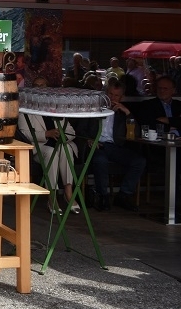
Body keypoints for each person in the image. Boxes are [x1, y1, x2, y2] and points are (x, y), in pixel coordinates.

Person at [72, 77, 146, 211]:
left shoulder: (123, 112)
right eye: (110, 94)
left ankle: (123, 195)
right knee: (100, 161)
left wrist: (128, 113)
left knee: (139, 161)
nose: (112, 98)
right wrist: (88, 139)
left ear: (122, 97)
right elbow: (80, 129)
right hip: (96, 145)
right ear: (105, 93)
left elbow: (137, 132)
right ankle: (103, 196)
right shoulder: (93, 108)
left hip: (115, 146)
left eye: (116, 95)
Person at [17, 112, 80, 215]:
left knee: (66, 148)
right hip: (40, 147)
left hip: (60, 144)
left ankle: (68, 192)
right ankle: (52, 196)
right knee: (51, 153)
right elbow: (25, 133)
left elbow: (70, 130)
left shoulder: (54, 110)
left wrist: (63, 136)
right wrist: (46, 134)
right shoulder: (26, 112)